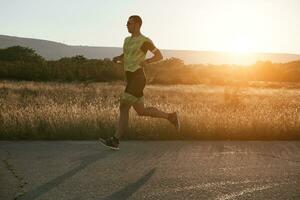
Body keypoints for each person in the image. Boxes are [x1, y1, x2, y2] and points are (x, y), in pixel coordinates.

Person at [99, 15, 180, 150]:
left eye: (129, 23)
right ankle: (171, 116)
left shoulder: (145, 41)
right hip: (130, 78)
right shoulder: (127, 40)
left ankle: (115, 140)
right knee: (141, 111)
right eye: (127, 23)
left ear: (137, 24)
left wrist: (147, 61)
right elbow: (126, 55)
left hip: (138, 77)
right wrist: (118, 58)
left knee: (124, 107)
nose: (127, 25)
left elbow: (159, 55)